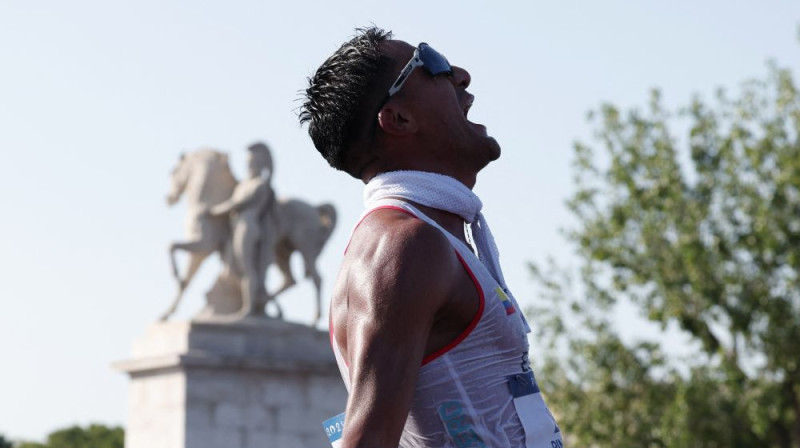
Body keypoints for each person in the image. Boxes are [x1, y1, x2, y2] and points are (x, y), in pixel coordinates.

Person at [300, 27, 563, 448]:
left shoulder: (426, 237)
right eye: (432, 63)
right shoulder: (403, 246)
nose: (460, 74)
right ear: (399, 119)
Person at [207, 142, 274, 317]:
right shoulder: (244, 184)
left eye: (252, 161)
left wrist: (214, 211)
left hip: (249, 227)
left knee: (247, 269)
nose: (249, 165)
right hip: (237, 226)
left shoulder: (259, 184)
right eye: (248, 161)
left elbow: (237, 204)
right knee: (235, 268)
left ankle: (249, 308)